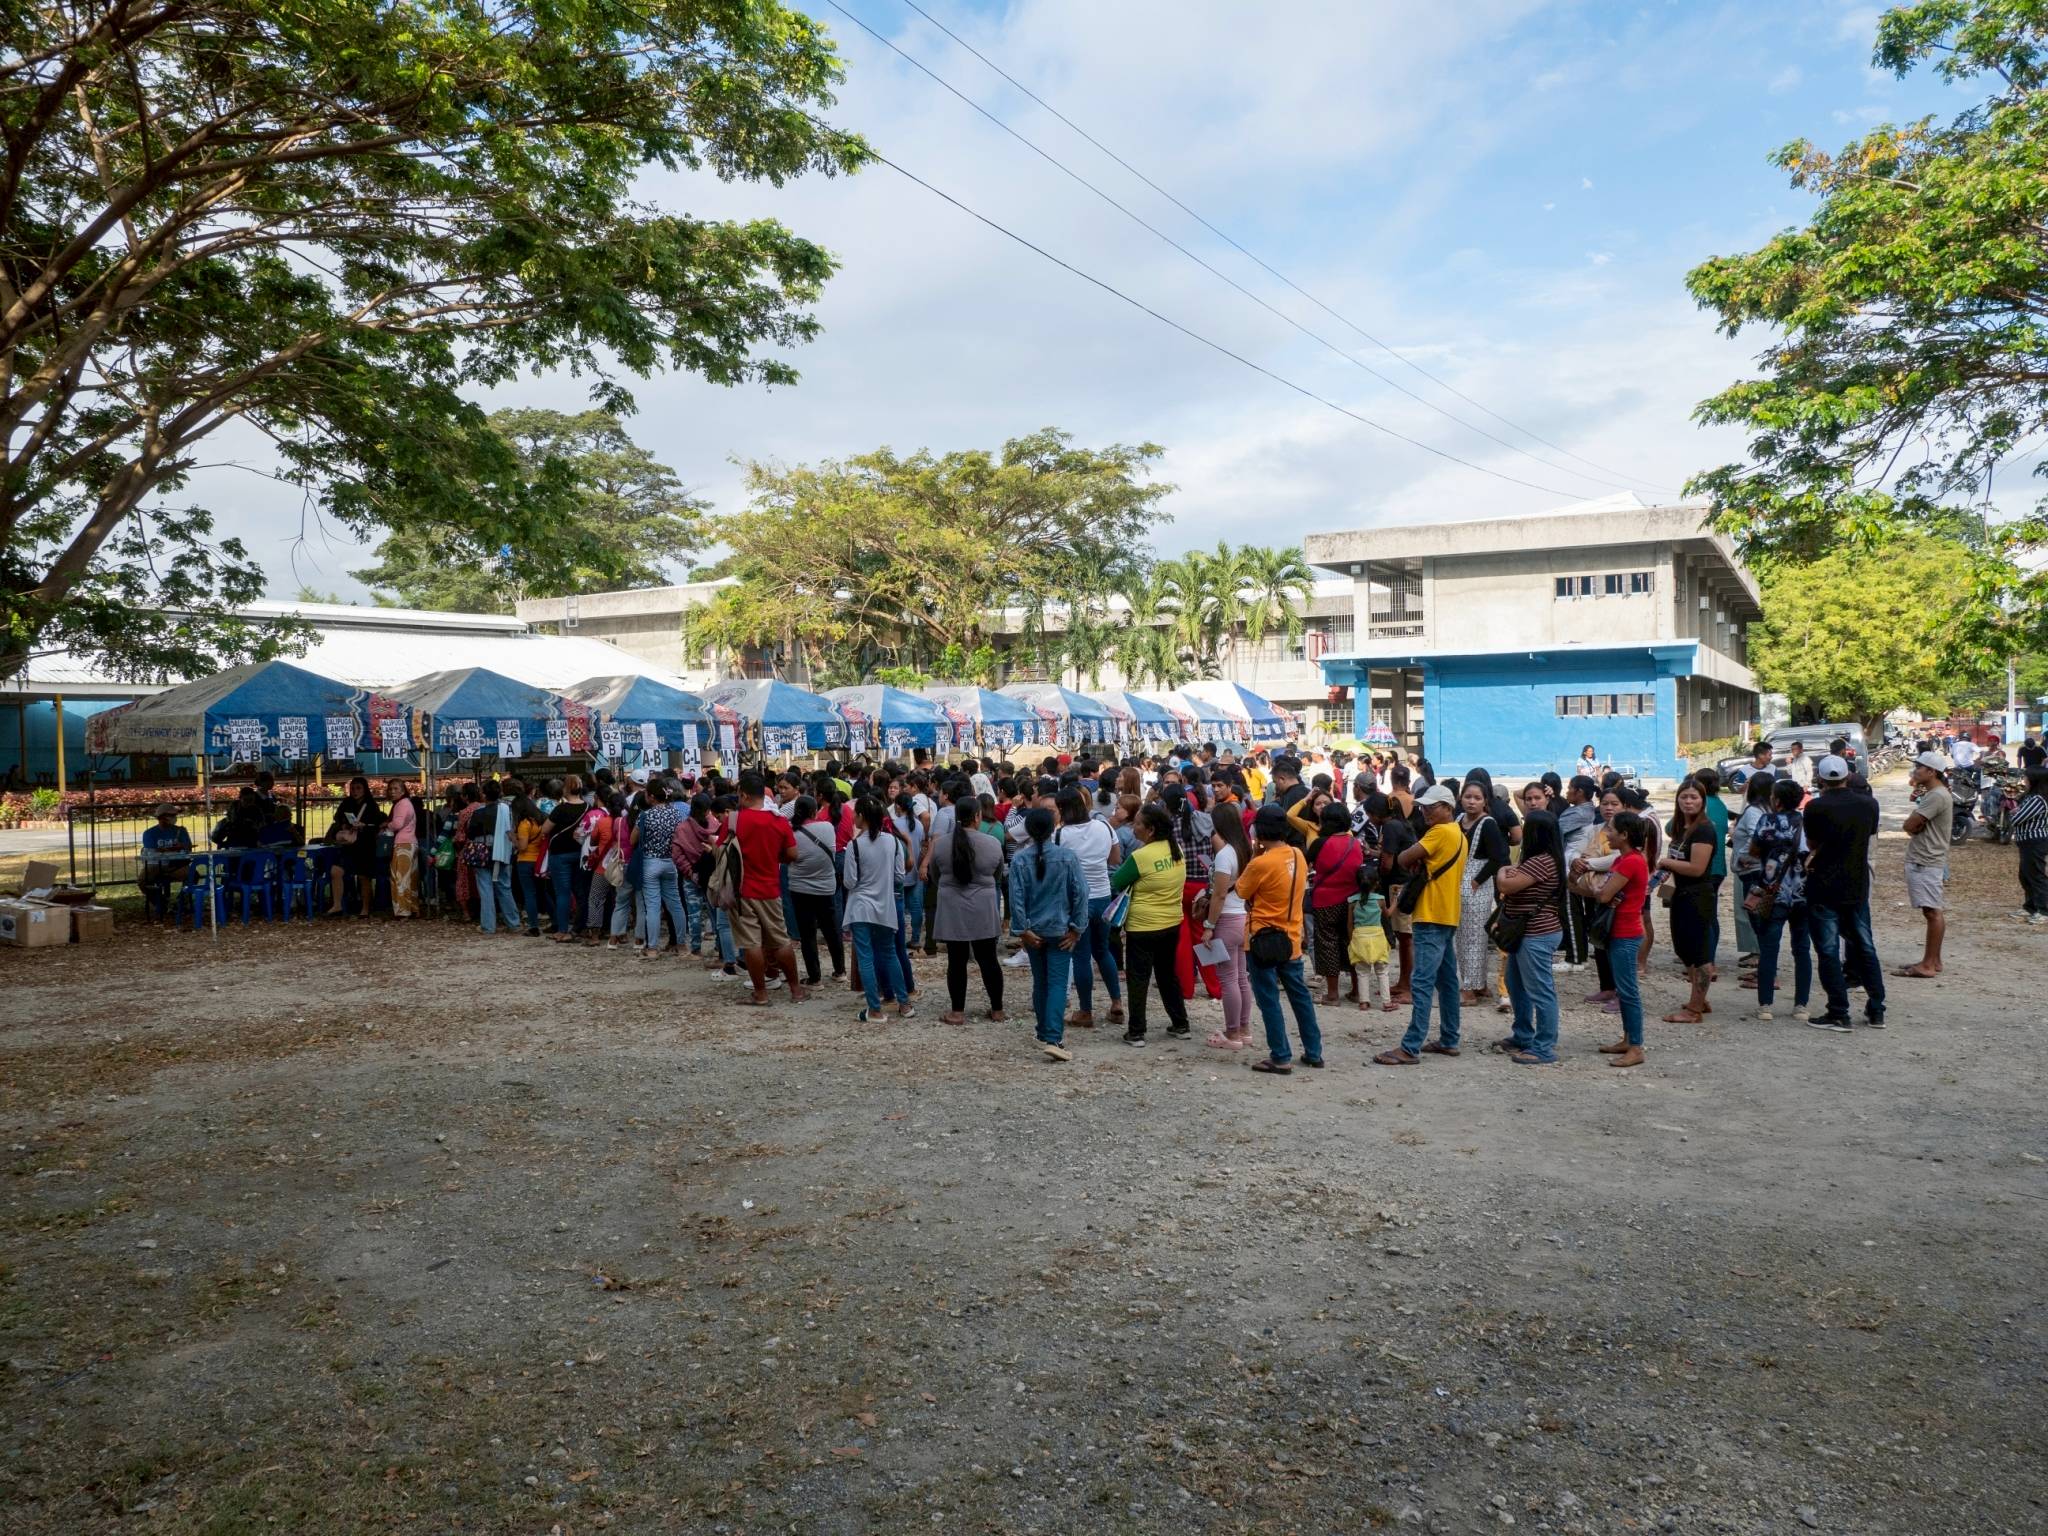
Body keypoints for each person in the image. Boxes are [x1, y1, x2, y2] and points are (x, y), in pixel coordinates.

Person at [1374, 784, 1467, 1066]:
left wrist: (1417, 858)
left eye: (1431, 807)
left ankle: (1411, 1046)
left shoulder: (1439, 832)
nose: (1425, 811)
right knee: (1447, 980)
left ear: (1447, 808)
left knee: (1423, 981)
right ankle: (1449, 1038)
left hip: (1430, 913)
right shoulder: (1458, 834)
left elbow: (1404, 857)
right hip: (1447, 912)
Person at [1236, 803, 1323, 1073]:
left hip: (1261, 937)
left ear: (1258, 831)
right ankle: (1313, 1051)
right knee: (1300, 996)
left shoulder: (1260, 863)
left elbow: (1241, 890)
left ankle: (1280, 1055)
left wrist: (1254, 852)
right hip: (1292, 936)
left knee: (1269, 999)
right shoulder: (1297, 854)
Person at [1802, 754, 1886, 1033]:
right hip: (1856, 885)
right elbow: (1870, 835)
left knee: (1827, 951)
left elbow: (1813, 842)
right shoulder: (1869, 804)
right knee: (1865, 946)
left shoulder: (1814, 807)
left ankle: (1838, 1011)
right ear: (1847, 777)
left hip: (1824, 886)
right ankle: (1877, 1008)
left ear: (1821, 779)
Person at [1006, 806, 1087, 1062]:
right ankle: (1053, 1037)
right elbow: (1080, 894)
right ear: (1054, 828)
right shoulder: (1068, 857)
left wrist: (1022, 930)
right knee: (1057, 983)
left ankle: (1043, 1030)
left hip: (1034, 931)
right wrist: (1077, 928)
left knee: (1040, 981)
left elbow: (1015, 899)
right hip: (1062, 929)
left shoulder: (1019, 859)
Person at [1110, 803, 1190, 1046]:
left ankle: (1136, 1031)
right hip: (1171, 922)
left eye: (1137, 824)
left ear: (1151, 829)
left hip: (1143, 926)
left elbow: (1117, 881)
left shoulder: (1140, 856)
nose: (1133, 828)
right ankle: (1180, 1023)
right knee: (1167, 975)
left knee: (1138, 978)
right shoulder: (1176, 850)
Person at [1491, 809, 1566, 1064]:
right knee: (1516, 984)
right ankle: (1523, 1035)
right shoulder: (1545, 859)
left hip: (1536, 933)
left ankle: (1544, 1045)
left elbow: (1505, 885)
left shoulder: (1540, 861)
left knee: (1539, 990)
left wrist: (1503, 870)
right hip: (1531, 933)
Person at [1584, 811, 1651, 1067]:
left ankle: (1636, 1046)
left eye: (1611, 830)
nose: (1607, 833)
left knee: (1628, 992)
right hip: (1620, 931)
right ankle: (1628, 1038)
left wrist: (1600, 890)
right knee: (1625, 989)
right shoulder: (1624, 859)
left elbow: (1603, 894)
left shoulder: (1630, 862)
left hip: (1625, 932)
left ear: (1624, 835)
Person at [933, 793, 1006, 1026]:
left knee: (956, 961)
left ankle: (957, 1011)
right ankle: (997, 1009)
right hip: (983, 906)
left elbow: (935, 875)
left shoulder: (942, 844)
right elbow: (997, 876)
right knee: (989, 960)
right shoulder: (992, 843)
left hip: (952, 906)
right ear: (977, 817)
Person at [1054, 788, 1123, 1031]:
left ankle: (1086, 1010)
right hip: (1103, 894)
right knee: (1103, 951)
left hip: (1077, 900)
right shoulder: (1104, 826)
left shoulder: (1061, 835)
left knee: (1081, 955)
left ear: (1062, 810)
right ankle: (1116, 1002)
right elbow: (1115, 859)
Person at [732, 772, 805, 1004]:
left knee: (751, 943)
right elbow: (793, 854)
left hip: (742, 890)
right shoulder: (779, 821)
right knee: (780, 939)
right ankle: (796, 990)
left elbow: (721, 852)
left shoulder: (734, 820)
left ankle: (761, 993)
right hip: (770, 887)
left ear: (743, 795)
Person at [1749, 776, 1813, 1022]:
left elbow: (1755, 850)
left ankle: (1765, 1005)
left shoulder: (1767, 821)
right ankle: (1801, 1006)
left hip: (1773, 892)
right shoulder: (1807, 823)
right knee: (1802, 949)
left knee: (1768, 949)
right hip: (1802, 894)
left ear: (1776, 801)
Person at [843, 796, 912, 1022]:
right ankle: (904, 1004)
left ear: (861, 817)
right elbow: (900, 876)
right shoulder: (892, 842)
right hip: (886, 906)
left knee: (866, 957)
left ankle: (874, 1008)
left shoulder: (854, 845)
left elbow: (850, 882)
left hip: (861, 907)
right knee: (889, 953)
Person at [1657, 780, 1719, 1023]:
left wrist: (1665, 862)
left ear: (1703, 800)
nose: (1689, 801)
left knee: (1700, 952)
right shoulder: (1683, 828)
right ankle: (1699, 999)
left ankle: (1694, 1010)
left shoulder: (1704, 829)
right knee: (1684, 949)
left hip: (1698, 895)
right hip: (1681, 894)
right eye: (1684, 797)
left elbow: (1696, 868)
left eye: (1694, 797)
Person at [1199, 806, 1255, 1049]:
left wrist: (1209, 925)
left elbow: (1219, 894)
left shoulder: (1224, 856)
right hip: (1242, 915)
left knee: (1228, 978)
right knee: (1242, 977)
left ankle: (1232, 1033)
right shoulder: (1244, 849)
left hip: (1226, 919)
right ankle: (1244, 1028)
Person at [1896, 751, 1953, 979]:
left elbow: (1911, 824)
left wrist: (1911, 826)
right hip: (1928, 858)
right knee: (1933, 910)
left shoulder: (1936, 796)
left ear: (1932, 772)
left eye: (1920, 767)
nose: (1916, 770)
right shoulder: (1934, 793)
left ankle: (1928, 965)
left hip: (1926, 860)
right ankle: (1933, 960)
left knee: (1932, 912)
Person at [1453, 779, 1509, 1005]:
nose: (1471, 802)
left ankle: (1469, 988)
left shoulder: (1488, 824)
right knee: (1462, 936)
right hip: (1459, 879)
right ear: (1461, 798)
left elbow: (1498, 857)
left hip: (1477, 883)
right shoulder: (1458, 820)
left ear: (1485, 801)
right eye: (1468, 797)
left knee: (1474, 938)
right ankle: (1478, 983)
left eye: (1477, 798)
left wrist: (1477, 880)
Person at [1305, 802, 1365, 1006]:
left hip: (1325, 902)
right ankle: (1358, 991)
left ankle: (1332, 994)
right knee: (1351, 944)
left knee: (1328, 943)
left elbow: (1307, 864)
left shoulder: (1319, 844)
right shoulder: (1355, 843)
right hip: (1352, 902)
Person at [787, 795, 845, 986]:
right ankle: (840, 970)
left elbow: (787, 858)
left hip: (800, 888)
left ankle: (814, 976)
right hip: (826, 887)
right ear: (814, 811)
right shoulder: (828, 828)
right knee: (831, 930)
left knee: (807, 934)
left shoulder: (792, 834)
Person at [633, 779, 688, 959]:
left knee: (653, 907)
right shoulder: (676, 814)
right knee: (676, 904)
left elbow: (633, 840)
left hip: (650, 862)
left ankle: (653, 948)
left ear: (650, 796)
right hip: (669, 862)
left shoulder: (645, 816)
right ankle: (681, 945)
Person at [1730, 772, 1771, 982]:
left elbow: (1758, 834)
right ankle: (1764, 968)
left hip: (1752, 872)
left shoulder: (1755, 811)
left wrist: (1745, 857)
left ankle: (1766, 970)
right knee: (1759, 920)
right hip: (1756, 870)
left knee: (1757, 920)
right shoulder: (1764, 809)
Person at [325, 776, 383, 918]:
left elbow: (377, 824)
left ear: (364, 789)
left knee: (364, 877)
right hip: (348, 846)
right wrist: (344, 824)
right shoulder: (346, 802)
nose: (355, 791)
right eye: (352, 788)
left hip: (365, 846)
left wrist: (364, 826)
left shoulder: (371, 805)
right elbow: (337, 817)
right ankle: (337, 905)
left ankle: (365, 908)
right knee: (336, 870)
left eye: (358, 788)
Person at [469, 780, 518, 935]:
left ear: (484, 794)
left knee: (485, 888)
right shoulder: (507, 810)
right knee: (504, 886)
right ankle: (513, 923)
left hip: (482, 851)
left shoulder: (478, 813)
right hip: (502, 850)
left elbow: (471, 833)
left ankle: (488, 925)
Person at [139, 803, 193, 921]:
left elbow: (188, 848)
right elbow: (153, 852)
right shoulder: (149, 833)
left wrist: (181, 846)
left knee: (193, 875)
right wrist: (175, 849)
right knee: (143, 881)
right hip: (156, 865)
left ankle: (180, 902)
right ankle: (161, 903)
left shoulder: (181, 831)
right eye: (172, 815)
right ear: (162, 817)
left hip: (176, 865)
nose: (175, 817)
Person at [2012, 768, 2048, 922]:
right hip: (2026, 842)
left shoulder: (2038, 800)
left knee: (2036, 876)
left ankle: (2044, 910)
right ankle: (2030, 906)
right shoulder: (2030, 797)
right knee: (2026, 876)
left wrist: (2015, 813)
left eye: (2026, 778)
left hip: (2035, 842)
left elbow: (2017, 818)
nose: (2024, 781)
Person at [385, 778, 420, 919]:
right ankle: (413, 908)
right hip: (411, 842)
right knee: (411, 878)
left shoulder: (401, 804)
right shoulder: (408, 803)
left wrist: (387, 825)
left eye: (395, 789)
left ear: (403, 790)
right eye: (390, 789)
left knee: (400, 879)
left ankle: (403, 911)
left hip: (402, 845)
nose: (392, 792)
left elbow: (398, 824)